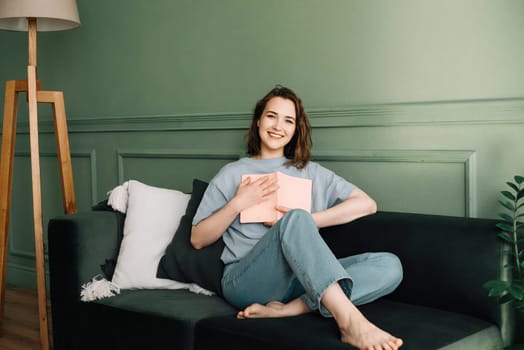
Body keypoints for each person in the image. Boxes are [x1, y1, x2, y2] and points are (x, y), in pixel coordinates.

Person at [191, 85, 404, 350]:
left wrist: (309, 220)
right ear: (258, 121)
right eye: (271, 116)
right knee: (295, 219)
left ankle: (290, 309)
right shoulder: (232, 173)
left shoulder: (310, 172)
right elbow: (198, 239)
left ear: (295, 129)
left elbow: (366, 204)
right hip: (244, 280)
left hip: (300, 281)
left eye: (288, 120)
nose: (278, 126)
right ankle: (350, 322)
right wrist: (237, 203)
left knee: (390, 266)